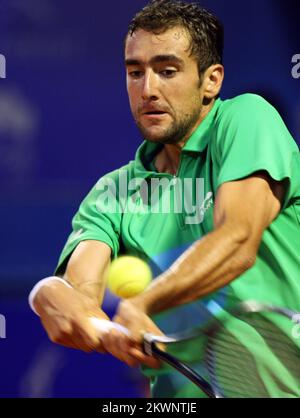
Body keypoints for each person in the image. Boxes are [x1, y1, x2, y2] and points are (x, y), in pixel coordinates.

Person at [29, 0, 300, 397]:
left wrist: (143, 303)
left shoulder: (247, 119)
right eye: (135, 72)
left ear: (211, 81)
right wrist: (55, 300)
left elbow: (238, 239)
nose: (148, 89)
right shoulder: (112, 193)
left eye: (167, 71)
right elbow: (79, 294)